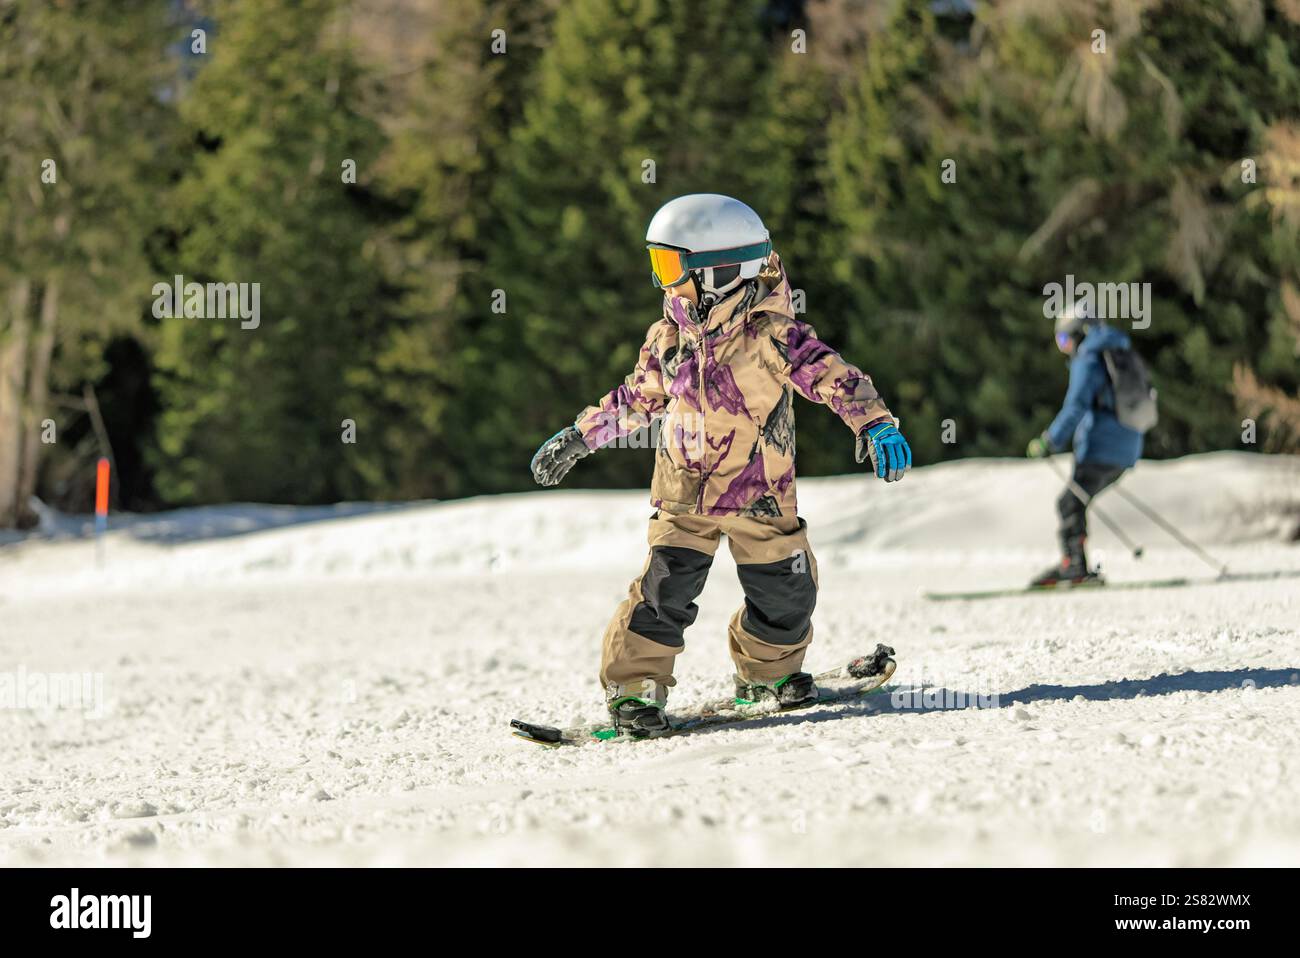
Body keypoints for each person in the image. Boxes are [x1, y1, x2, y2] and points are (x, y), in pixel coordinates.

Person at [529, 193, 911, 737]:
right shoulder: (668, 338)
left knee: (787, 591)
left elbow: (833, 376)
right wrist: (581, 437)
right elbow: (637, 398)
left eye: (670, 266)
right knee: (665, 592)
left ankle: (768, 675)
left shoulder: (772, 335)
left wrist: (874, 423)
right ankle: (635, 690)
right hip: (684, 492)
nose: (662, 281)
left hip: (760, 491)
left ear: (718, 272)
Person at [1026, 304, 1143, 586]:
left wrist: (1049, 441)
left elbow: (1075, 406)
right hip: (1129, 447)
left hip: (1100, 447)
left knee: (1069, 502)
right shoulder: (1119, 352)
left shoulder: (1089, 358)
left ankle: (1074, 565)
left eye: (1064, 340)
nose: (1065, 349)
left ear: (1079, 334)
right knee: (1075, 501)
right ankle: (1076, 563)